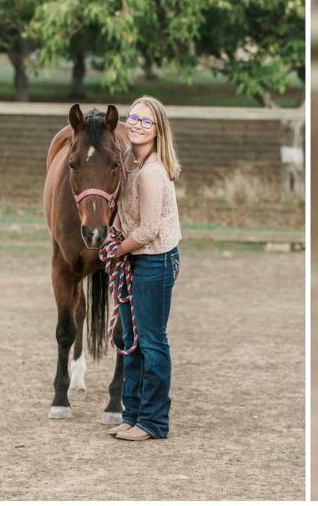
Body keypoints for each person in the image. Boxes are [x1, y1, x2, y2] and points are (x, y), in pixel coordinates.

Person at [105, 95, 182, 441]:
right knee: (131, 340)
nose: (136, 125)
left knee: (151, 341)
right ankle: (131, 414)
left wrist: (114, 251)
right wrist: (114, 237)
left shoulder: (151, 172)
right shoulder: (128, 164)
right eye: (133, 118)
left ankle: (153, 422)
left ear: (157, 130)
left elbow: (149, 230)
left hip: (154, 260)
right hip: (134, 258)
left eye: (146, 121)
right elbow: (123, 214)